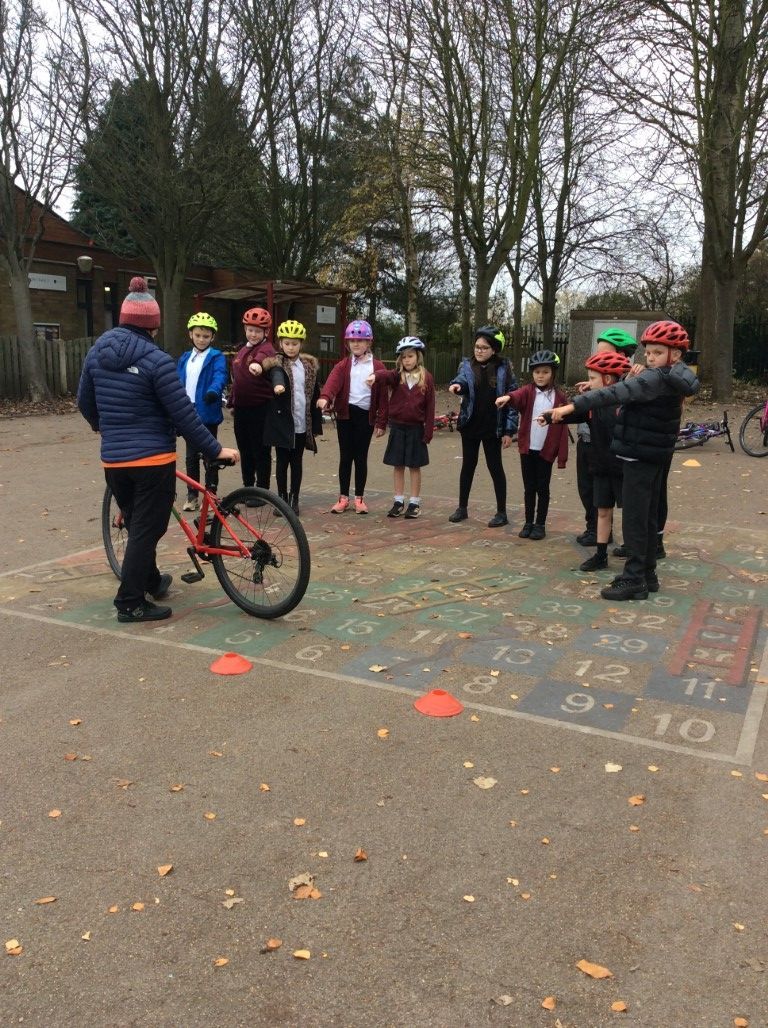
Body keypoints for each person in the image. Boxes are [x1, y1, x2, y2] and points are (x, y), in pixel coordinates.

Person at [77, 276, 239, 623]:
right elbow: (184, 416)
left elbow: (85, 402)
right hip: (153, 460)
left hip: (114, 459)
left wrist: (103, 428)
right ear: (153, 325)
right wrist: (215, 449)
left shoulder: (96, 354)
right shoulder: (157, 360)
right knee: (148, 528)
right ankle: (130, 602)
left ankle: (150, 580)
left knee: (137, 523)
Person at [541, 320, 699, 601]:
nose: (650, 358)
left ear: (675, 354)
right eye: (648, 352)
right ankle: (647, 574)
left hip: (639, 456)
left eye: (657, 353)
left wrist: (572, 405)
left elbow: (613, 393)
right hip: (654, 455)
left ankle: (634, 578)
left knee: (636, 520)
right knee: (648, 517)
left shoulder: (654, 379)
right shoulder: (676, 377)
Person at [560, 351, 631, 570]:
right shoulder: (593, 405)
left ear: (608, 379)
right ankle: (601, 555)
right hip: (601, 466)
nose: (588, 383)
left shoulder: (626, 404)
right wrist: (550, 416)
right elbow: (573, 413)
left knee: (631, 512)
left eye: (592, 378)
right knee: (602, 510)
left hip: (624, 468)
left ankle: (635, 555)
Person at [447, 326, 518, 528]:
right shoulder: (467, 365)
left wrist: (509, 431)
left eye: (484, 348)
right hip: (470, 424)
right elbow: (461, 380)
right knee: (468, 466)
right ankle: (462, 508)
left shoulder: (505, 368)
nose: (479, 351)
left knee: (495, 467)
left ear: (494, 349)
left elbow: (512, 400)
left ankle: (501, 512)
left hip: (493, 427)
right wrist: (457, 385)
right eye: (477, 347)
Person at [495, 349, 569, 539]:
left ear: (553, 373)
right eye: (537, 372)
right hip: (528, 448)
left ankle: (540, 524)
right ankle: (528, 522)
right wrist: (508, 397)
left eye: (545, 372)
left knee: (542, 488)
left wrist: (561, 456)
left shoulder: (559, 397)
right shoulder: (529, 391)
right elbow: (517, 395)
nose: (541, 376)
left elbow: (563, 427)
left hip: (547, 450)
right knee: (529, 487)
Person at [575, 328, 638, 547]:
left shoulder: (632, 379)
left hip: (614, 450)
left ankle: (631, 543)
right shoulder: (598, 378)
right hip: (589, 441)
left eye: (605, 352)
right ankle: (595, 529)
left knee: (623, 499)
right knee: (588, 489)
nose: (599, 356)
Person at [317, 320, 386, 514]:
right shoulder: (344, 365)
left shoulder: (377, 366)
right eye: (352, 340)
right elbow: (333, 383)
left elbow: (383, 398)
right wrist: (325, 397)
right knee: (345, 456)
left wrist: (382, 422)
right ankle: (343, 498)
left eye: (360, 340)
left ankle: (360, 499)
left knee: (360, 457)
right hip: (346, 415)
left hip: (366, 416)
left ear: (368, 343)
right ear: (347, 343)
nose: (356, 344)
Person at [368, 336, 436, 519]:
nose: (407, 360)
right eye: (404, 357)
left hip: (416, 429)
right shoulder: (396, 375)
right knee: (398, 465)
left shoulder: (426, 378)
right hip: (398, 427)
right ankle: (398, 500)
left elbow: (430, 407)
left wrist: (428, 431)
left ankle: (414, 502)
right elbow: (384, 376)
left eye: (411, 356)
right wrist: (375, 376)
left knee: (415, 466)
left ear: (418, 357)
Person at [261, 319, 322, 515]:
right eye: (287, 343)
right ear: (281, 343)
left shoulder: (308, 366)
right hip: (282, 422)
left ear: (301, 344)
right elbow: (276, 375)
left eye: (295, 343)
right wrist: (278, 386)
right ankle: (281, 498)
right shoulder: (276, 363)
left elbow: (315, 392)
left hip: (301, 422)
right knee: (281, 462)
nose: (290, 347)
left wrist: (323, 403)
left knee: (297, 462)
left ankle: (295, 498)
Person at [177, 312, 229, 510]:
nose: (201, 339)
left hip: (207, 410)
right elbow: (176, 380)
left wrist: (214, 391)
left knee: (210, 454)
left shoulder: (216, 357)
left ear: (212, 337)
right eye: (198, 335)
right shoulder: (185, 358)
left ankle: (211, 493)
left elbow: (220, 375)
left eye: (206, 336)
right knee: (191, 456)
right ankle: (192, 495)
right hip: (187, 411)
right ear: (191, 334)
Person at [230, 307, 276, 499]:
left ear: (265, 332)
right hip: (241, 409)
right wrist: (232, 401)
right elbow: (238, 378)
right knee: (245, 449)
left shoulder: (267, 349)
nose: (253, 334)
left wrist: (257, 365)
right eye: (250, 329)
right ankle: (248, 487)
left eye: (258, 331)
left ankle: (262, 491)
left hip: (260, 409)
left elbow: (263, 359)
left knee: (260, 450)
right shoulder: (242, 350)